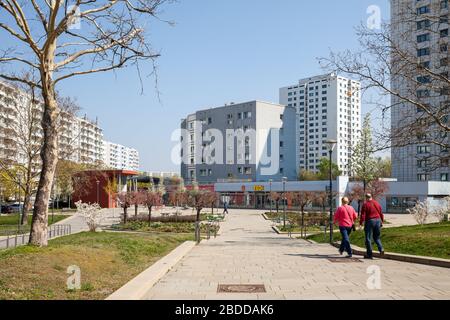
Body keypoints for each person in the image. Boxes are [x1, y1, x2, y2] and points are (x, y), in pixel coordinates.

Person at [360, 193, 385, 259]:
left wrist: (361, 223)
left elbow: (363, 215)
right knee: (377, 237)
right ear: (371, 197)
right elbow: (381, 213)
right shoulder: (377, 203)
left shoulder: (365, 204)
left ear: (366, 198)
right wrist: (382, 221)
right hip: (378, 220)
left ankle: (369, 254)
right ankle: (381, 249)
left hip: (370, 221)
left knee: (368, 238)